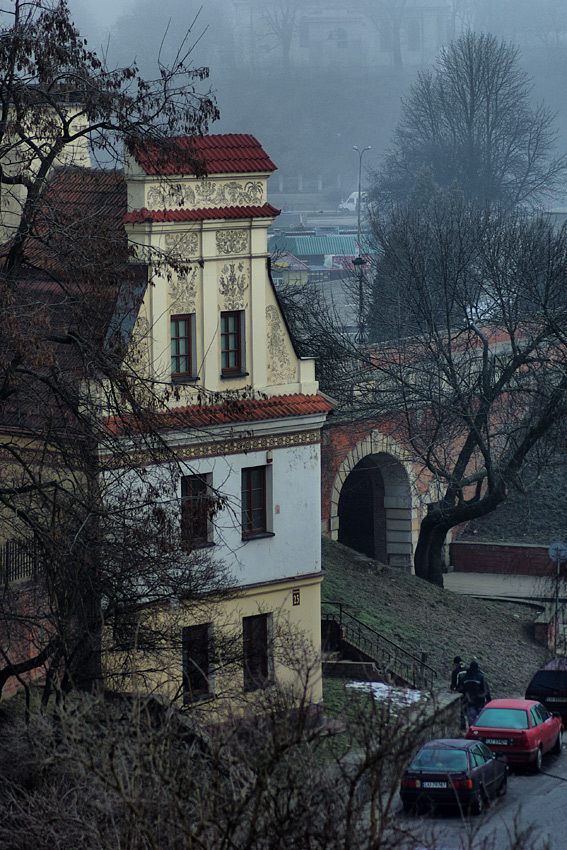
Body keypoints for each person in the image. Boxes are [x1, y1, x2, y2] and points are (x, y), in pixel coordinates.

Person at [459, 660, 491, 727]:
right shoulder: (481, 677)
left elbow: (461, 689)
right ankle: (481, 733)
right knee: (481, 720)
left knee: (471, 721)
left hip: (469, 702)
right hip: (480, 701)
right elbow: (486, 690)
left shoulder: (464, 677)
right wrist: (489, 701)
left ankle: (473, 734)